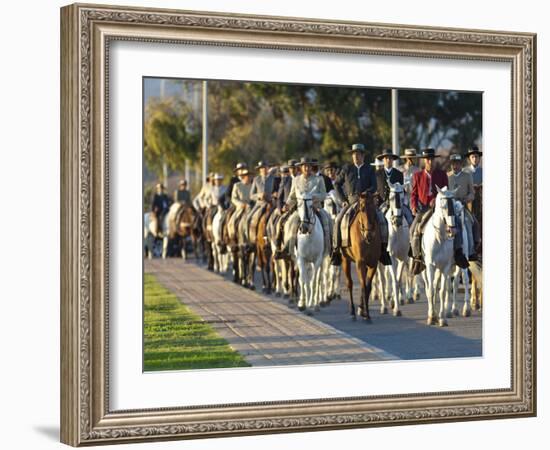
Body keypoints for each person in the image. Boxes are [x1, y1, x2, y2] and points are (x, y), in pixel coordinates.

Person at [409, 148, 469, 274]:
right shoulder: (417, 176)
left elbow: (446, 191)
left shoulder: (441, 175)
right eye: (427, 159)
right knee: (413, 229)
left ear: (434, 160)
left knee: (456, 223)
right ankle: (417, 258)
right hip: (424, 208)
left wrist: (436, 199)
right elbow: (413, 194)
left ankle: (458, 253)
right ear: (424, 161)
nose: (429, 161)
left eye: (431, 159)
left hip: (441, 208)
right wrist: (413, 206)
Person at [330, 143, 384, 266]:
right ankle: (336, 251)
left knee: (382, 219)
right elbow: (336, 184)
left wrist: (367, 192)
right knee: (338, 220)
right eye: (354, 154)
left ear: (363, 156)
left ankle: (384, 251)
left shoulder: (369, 169)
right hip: (351, 202)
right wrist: (343, 199)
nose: (355, 157)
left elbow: (374, 186)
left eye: (358, 154)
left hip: (367, 203)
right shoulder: (346, 168)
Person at [280, 157, 331, 255]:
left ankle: (330, 249)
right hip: (301, 210)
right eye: (305, 166)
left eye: (309, 166)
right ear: (301, 168)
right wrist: (287, 204)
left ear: (312, 167)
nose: (307, 168)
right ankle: (288, 250)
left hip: (316, 208)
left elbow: (324, 194)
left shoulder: (319, 179)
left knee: (327, 220)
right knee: (291, 222)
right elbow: (292, 196)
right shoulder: (296, 180)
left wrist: (315, 198)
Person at [448, 153, 479, 260]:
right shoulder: (448, 176)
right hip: (450, 208)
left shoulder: (467, 176)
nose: (455, 166)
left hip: (462, 207)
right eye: (453, 164)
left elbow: (472, 193)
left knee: (469, 222)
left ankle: (471, 251)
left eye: (457, 163)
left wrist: (466, 199)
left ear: (461, 164)